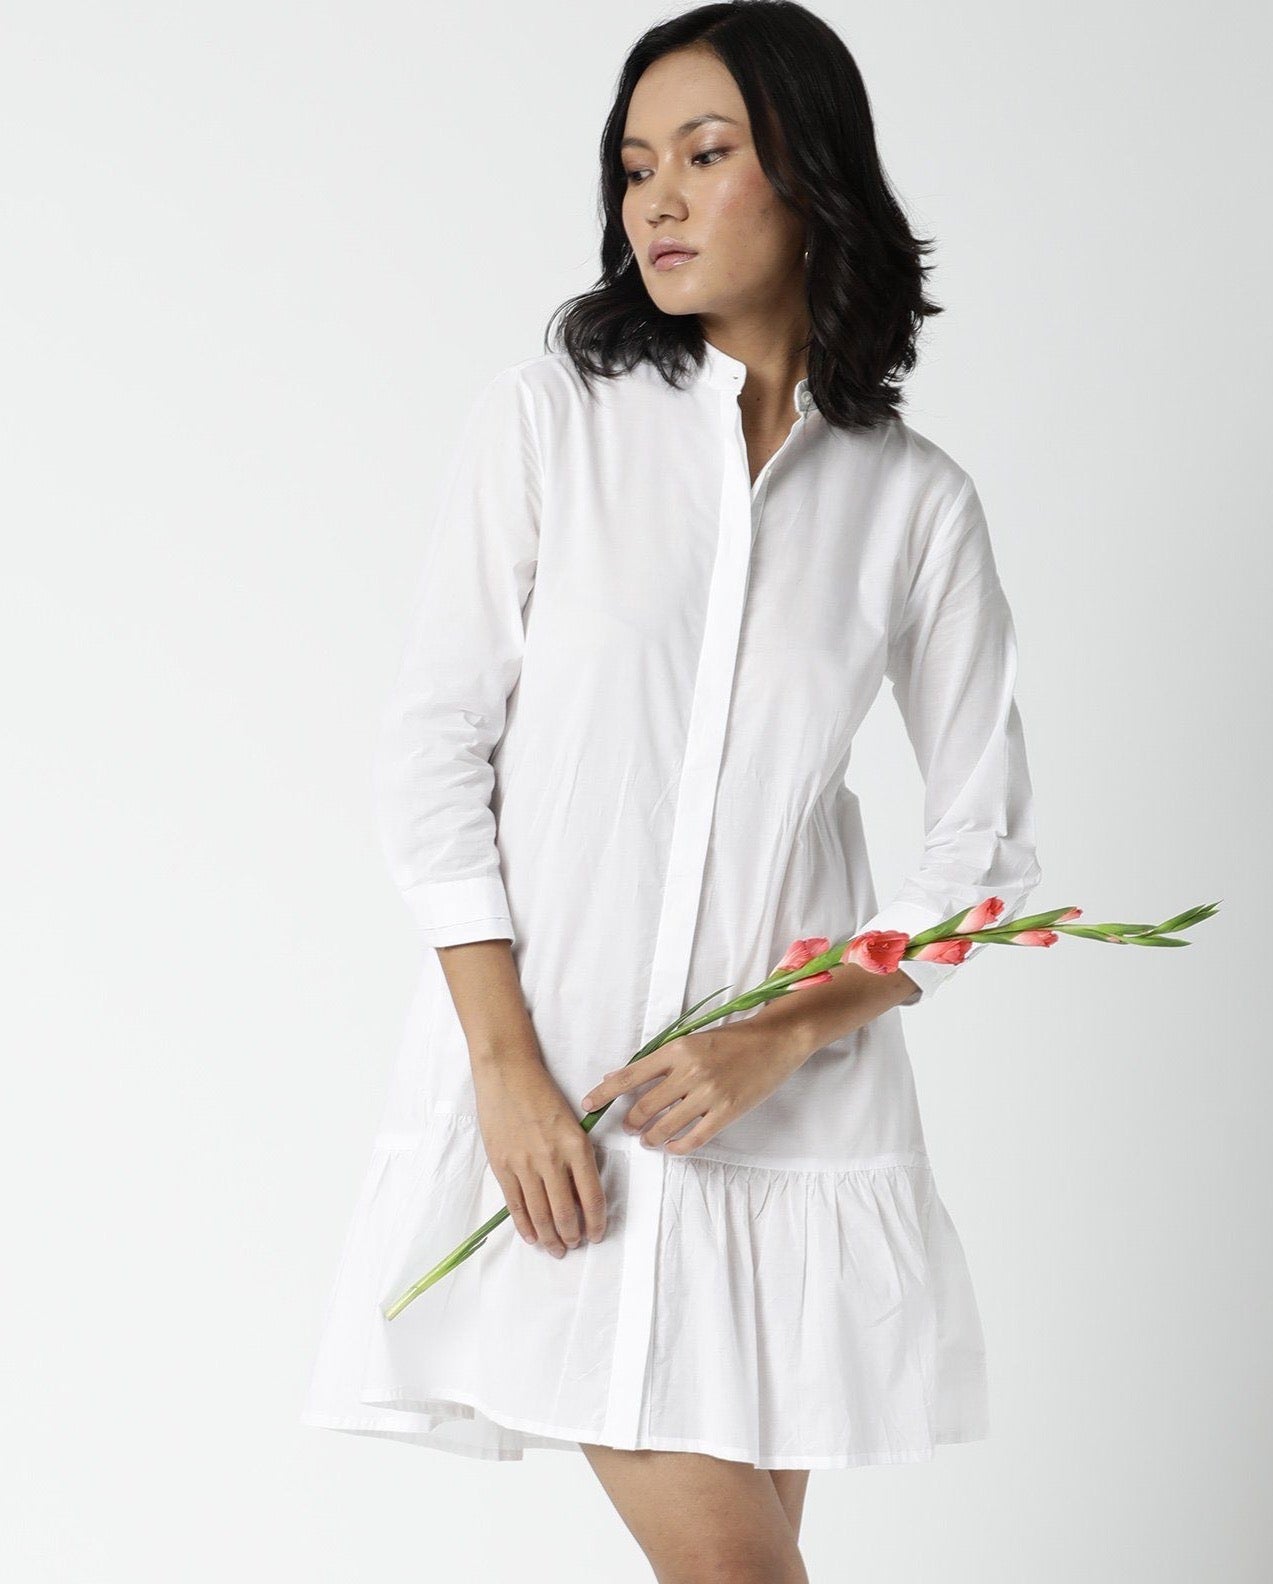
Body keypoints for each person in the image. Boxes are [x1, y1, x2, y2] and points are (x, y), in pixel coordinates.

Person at [301, 3, 1042, 1578]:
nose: (657, 199)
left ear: (811, 178)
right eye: (635, 166)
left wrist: (789, 1030)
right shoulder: (548, 424)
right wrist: (504, 1067)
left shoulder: (912, 504)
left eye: (705, 155)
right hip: (566, 1110)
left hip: (779, 1132)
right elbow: (433, 753)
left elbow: (982, 856)